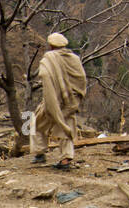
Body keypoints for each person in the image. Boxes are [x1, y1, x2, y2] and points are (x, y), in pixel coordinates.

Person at [29, 32, 87, 170]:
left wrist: (53, 96)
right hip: (71, 101)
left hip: (54, 100)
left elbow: (44, 75)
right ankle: (65, 159)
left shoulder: (49, 58)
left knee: (34, 122)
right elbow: (82, 79)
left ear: (51, 45)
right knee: (66, 125)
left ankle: (39, 153)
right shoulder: (75, 58)